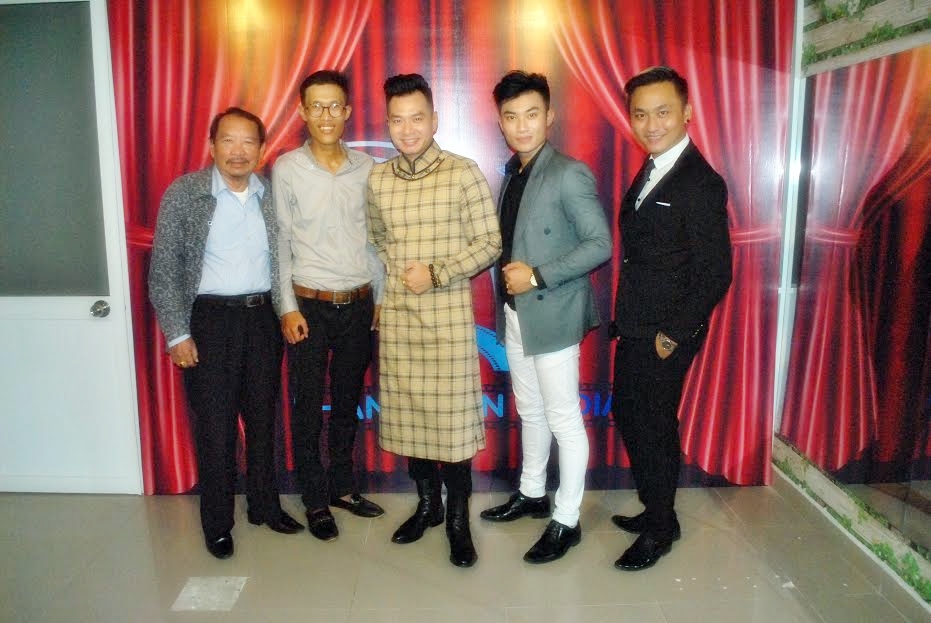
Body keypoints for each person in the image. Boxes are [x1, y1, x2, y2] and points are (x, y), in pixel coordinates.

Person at [149, 107, 304, 560]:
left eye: (248, 142)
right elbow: (164, 270)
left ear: (262, 149)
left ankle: (265, 506)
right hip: (209, 322)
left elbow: (284, 259)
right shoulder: (185, 194)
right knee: (215, 430)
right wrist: (177, 334)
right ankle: (217, 524)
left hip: (262, 320)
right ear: (212, 146)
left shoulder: (270, 194)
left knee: (263, 421)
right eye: (228, 141)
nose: (238, 151)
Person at [367, 73, 501, 568]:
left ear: (435, 120)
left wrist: (438, 272)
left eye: (417, 118)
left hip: (446, 322)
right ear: (387, 124)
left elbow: (490, 243)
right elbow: (377, 237)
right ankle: (428, 505)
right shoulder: (378, 179)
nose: (407, 130)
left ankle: (458, 518)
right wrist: (398, 271)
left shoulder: (463, 172)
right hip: (400, 322)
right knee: (410, 420)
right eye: (397, 120)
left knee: (452, 427)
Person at [479, 71, 611, 564]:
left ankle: (567, 519)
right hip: (517, 316)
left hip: (553, 312)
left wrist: (536, 277)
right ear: (500, 122)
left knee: (563, 419)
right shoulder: (514, 172)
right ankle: (532, 493)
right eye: (511, 116)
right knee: (531, 411)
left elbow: (600, 244)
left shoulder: (568, 173)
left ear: (549, 116)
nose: (522, 125)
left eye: (531, 114)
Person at [610, 66, 732, 571]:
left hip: (665, 332)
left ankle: (660, 529)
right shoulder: (653, 165)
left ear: (686, 112)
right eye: (641, 114)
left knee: (655, 426)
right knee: (629, 414)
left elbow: (716, 272)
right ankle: (658, 509)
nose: (651, 123)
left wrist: (673, 336)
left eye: (663, 112)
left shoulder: (700, 181)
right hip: (638, 323)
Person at [273, 70, 386, 542]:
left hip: (358, 302)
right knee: (306, 407)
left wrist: (380, 296)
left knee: (346, 401)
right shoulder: (287, 168)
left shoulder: (368, 168)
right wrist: (286, 307)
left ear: (348, 111)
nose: (325, 115)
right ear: (302, 111)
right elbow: (280, 241)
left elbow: (376, 240)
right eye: (316, 106)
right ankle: (314, 497)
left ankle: (342, 486)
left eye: (334, 105)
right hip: (308, 305)